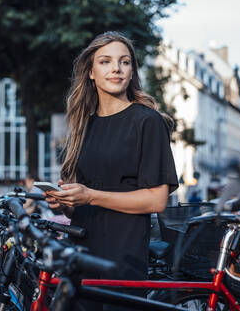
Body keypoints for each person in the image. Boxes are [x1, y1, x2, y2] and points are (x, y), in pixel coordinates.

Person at [45, 31, 178, 310]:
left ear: (132, 71)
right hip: (80, 253)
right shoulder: (84, 126)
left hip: (122, 257)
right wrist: (64, 203)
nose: (116, 68)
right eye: (105, 61)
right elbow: (79, 205)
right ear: (91, 72)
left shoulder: (147, 122)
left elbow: (156, 200)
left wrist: (89, 195)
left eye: (124, 62)